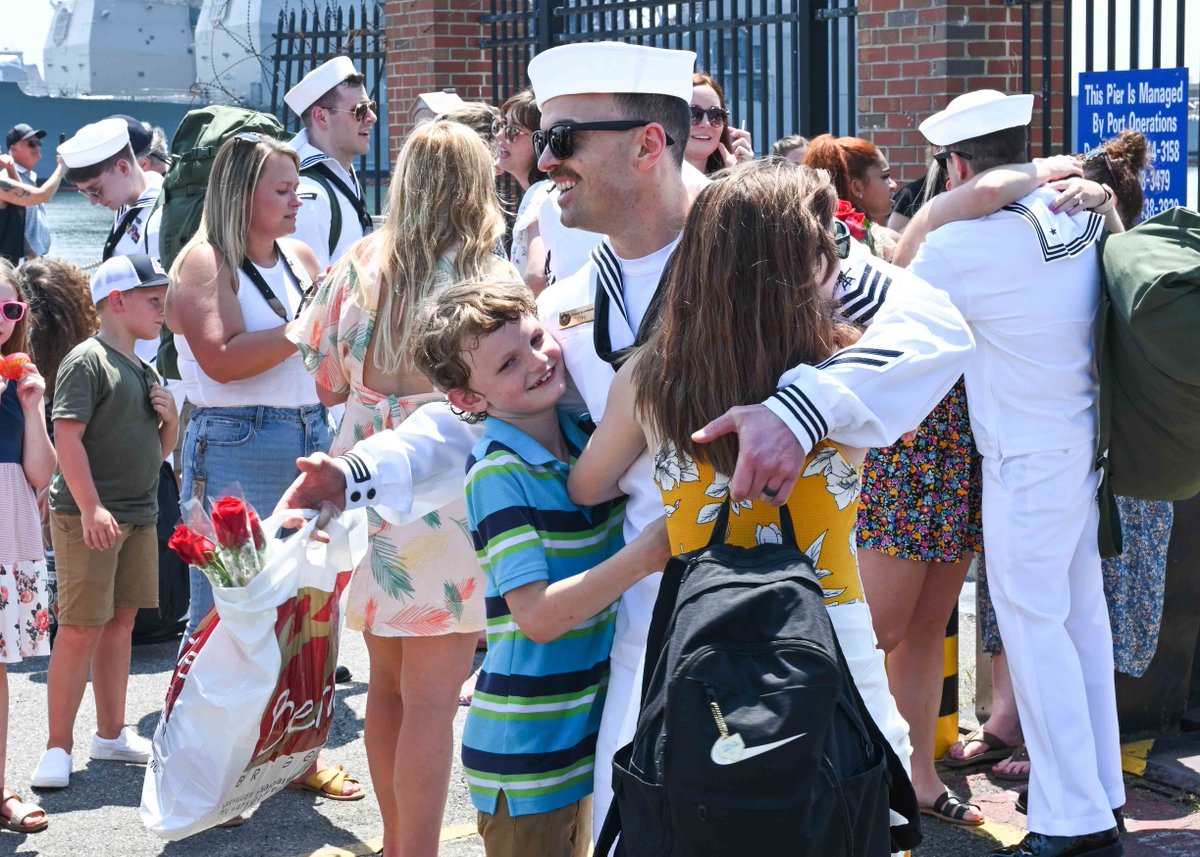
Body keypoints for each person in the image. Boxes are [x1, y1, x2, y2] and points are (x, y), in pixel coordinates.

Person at [275, 41, 974, 841]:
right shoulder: (573, 302)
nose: (543, 160)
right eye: (542, 137)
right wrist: (359, 472)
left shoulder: (772, 243)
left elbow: (935, 330)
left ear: (648, 144)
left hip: (808, 621)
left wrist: (801, 407)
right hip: (654, 637)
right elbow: (482, 422)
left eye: (564, 137)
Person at [908, 89, 1125, 857]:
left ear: (957, 165)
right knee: (1077, 622)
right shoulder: (1082, 209)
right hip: (1081, 443)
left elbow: (890, 299)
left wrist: (938, 211)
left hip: (1027, 461)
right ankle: (1100, 792)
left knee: (1039, 631)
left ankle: (1075, 817)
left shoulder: (960, 244)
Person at [290, 118, 512, 857]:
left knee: (386, 681)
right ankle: (415, 848)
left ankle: (396, 843)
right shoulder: (485, 272)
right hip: (449, 488)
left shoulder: (357, 262)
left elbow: (322, 378)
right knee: (433, 699)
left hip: (363, 482)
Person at [409, 277, 670, 857]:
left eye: (533, 338)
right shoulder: (499, 474)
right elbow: (539, 617)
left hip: (578, 736)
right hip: (526, 758)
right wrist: (646, 554)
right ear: (469, 400)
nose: (536, 360)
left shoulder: (583, 437)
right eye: (507, 363)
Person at [165, 134, 359, 808]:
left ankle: (293, 755)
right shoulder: (201, 263)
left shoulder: (301, 255)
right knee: (225, 609)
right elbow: (219, 359)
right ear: (242, 194)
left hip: (305, 431)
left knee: (306, 607)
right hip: (237, 440)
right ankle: (201, 773)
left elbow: (321, 349)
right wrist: (308, 323)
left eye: (297, 187)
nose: (298, 199)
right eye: (283, 189)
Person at [30, 255, 178, 791]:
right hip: (88, 517)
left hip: (137, 516)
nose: (164, 310)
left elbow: (158, 453)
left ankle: (110, 734)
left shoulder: (144, 368)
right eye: (153, 300)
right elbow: (67, 434)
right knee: (79, 629)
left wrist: (173, 423)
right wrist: (90, 507)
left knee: (121, 626)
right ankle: (57, 745)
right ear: (117, 300)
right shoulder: (87, 360)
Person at [0, 261, 54, 831]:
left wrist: (34, 405)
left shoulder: (22, 382)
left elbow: (40, 474)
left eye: (10, 309)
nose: (1, 321)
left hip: (7, 532)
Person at [60, 118, 164, 364]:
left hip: (151, 361)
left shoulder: (159, 219)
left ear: (124, 168)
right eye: (85, 193)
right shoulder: (129, 201)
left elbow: (161, 302)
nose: (93, 201)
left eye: (96, 190)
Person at [285, 57, 377, 272]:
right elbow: (310, 298)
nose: (372, 117)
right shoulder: (308, 197)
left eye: (370, 107)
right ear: (321, 117)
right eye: (359, 110)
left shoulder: (338, 173)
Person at [494, 89, 551, 292]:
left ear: (540, 141)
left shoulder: (537, 195)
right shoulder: (547, 191)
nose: (500, 136)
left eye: (513, 130)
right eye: (501, 125)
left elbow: (536, 277)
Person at [804, 133, 898, 253]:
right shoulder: (886, 244)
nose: (893, 185)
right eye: (885, 176)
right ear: (857, 187)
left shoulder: (808, 237)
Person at [685, 72, 753, 175]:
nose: (706, 123)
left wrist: (741, 177)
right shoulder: (652, 185)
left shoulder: (730, 181)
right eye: (693, 114)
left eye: (715, 115)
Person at [4, 124, 53, 260]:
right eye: (31, 143)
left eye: (38, 143)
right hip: (23, 261)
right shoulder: (6, 179)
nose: (37, 147)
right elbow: (16, 221)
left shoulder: (29, 177)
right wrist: (30, 254)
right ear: (13, 149)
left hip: (35, 260)